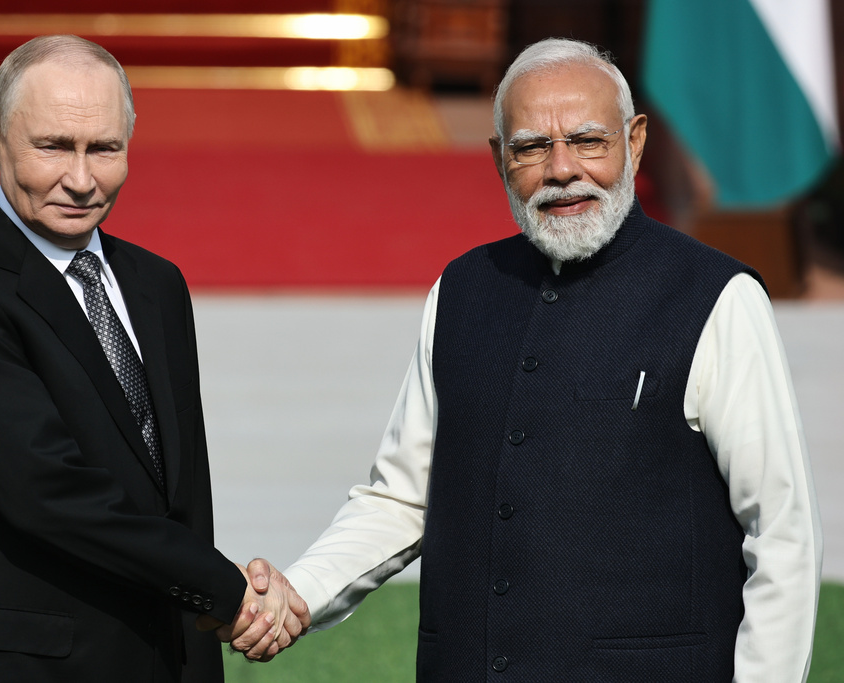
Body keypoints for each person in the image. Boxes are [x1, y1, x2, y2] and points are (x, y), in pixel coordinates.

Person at [246, 38, 823, 681]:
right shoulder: (460, 291)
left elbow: (782, 534)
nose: (561, 170)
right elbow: (403, 499)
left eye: (588, 141)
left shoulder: (717, 299)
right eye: (531, 147)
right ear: (499, 159)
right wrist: (299, 593)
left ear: (633, 144)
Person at [0, 34, 307, 683]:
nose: (81, 180)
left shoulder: (156, 284)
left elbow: (179, 498)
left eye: (104, 149)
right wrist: (229, 591)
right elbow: (48, 491)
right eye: (53, 145)